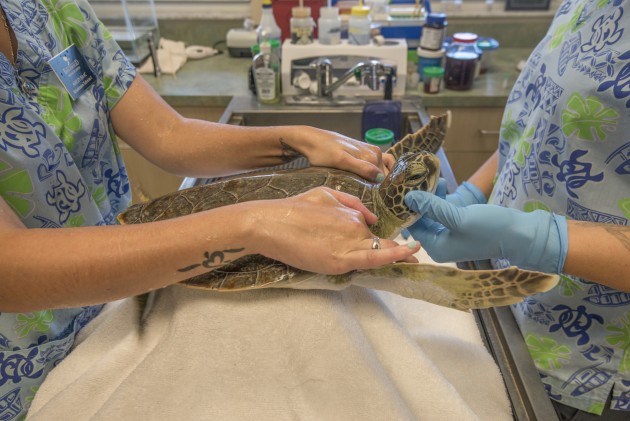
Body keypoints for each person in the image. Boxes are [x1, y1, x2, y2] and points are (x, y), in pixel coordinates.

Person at [0, 0, 421, 418]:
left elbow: (168, 134)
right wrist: (253, 221)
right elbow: (9, 267)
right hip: (27, 368)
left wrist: (296, 139)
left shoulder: (53, 10)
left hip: (125, 297)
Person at [404, 0, 630, 418]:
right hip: (510, 310)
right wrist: (473, 191)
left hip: (586, 366)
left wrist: (539, 238)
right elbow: (541, 121)